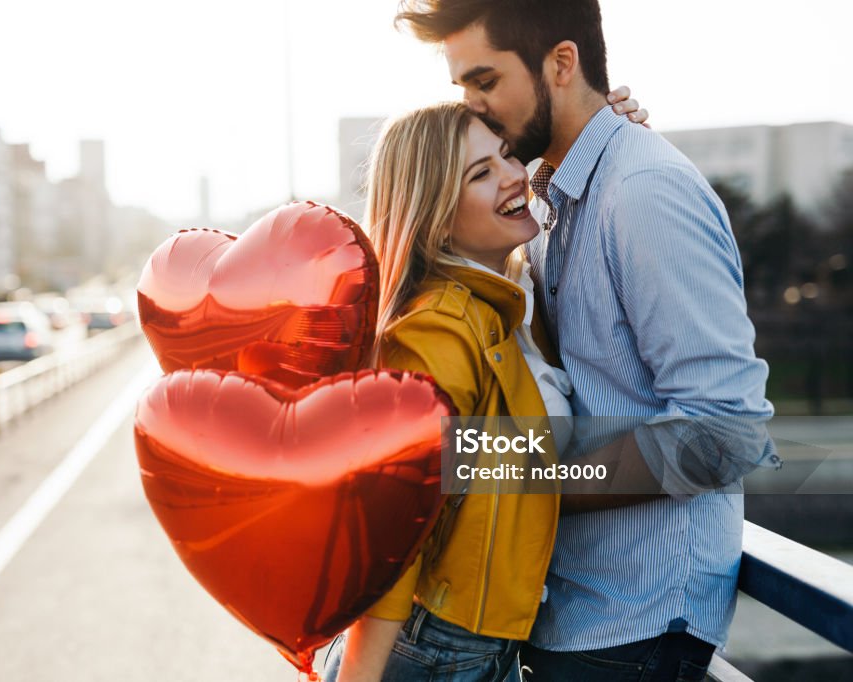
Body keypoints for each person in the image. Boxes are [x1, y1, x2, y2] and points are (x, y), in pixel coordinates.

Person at [394, 1, 778, 680]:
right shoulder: (553, 197)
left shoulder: (643, 191)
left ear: (561, 64)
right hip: (565, 609)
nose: (475, 109)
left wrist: (529, 484)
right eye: (463, 89)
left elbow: (726, 430)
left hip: (635, 625)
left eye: (485, 82)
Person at [322, 90, 648, 682]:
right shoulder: (438, 329)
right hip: (429, 651)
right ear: (436, 214)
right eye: (481, 171)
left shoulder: (509, 304)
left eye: (506, 155)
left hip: (477, 649)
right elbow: (394, 522)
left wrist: (611, 142)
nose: (513, 176)